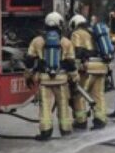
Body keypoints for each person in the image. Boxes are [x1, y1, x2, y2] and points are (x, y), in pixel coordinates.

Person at [26, 12, 79, 140]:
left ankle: (45, 132)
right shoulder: (66, 42)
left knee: (45, 106)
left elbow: (29, 60)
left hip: (44, 80)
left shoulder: (37, 41)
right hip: (61, 80)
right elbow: (71, 63)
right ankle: (65, 130)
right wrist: (74, 79)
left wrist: (28, 76)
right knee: (63, 105)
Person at [69, 14, 108, 130]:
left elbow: (76, 52)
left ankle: (81, 121)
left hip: (88, 68)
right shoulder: (93, 33)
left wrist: (73, 70)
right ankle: (100, 120)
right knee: (98, 95)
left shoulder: (76, 33)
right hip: (100, 66)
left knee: (79, 95)